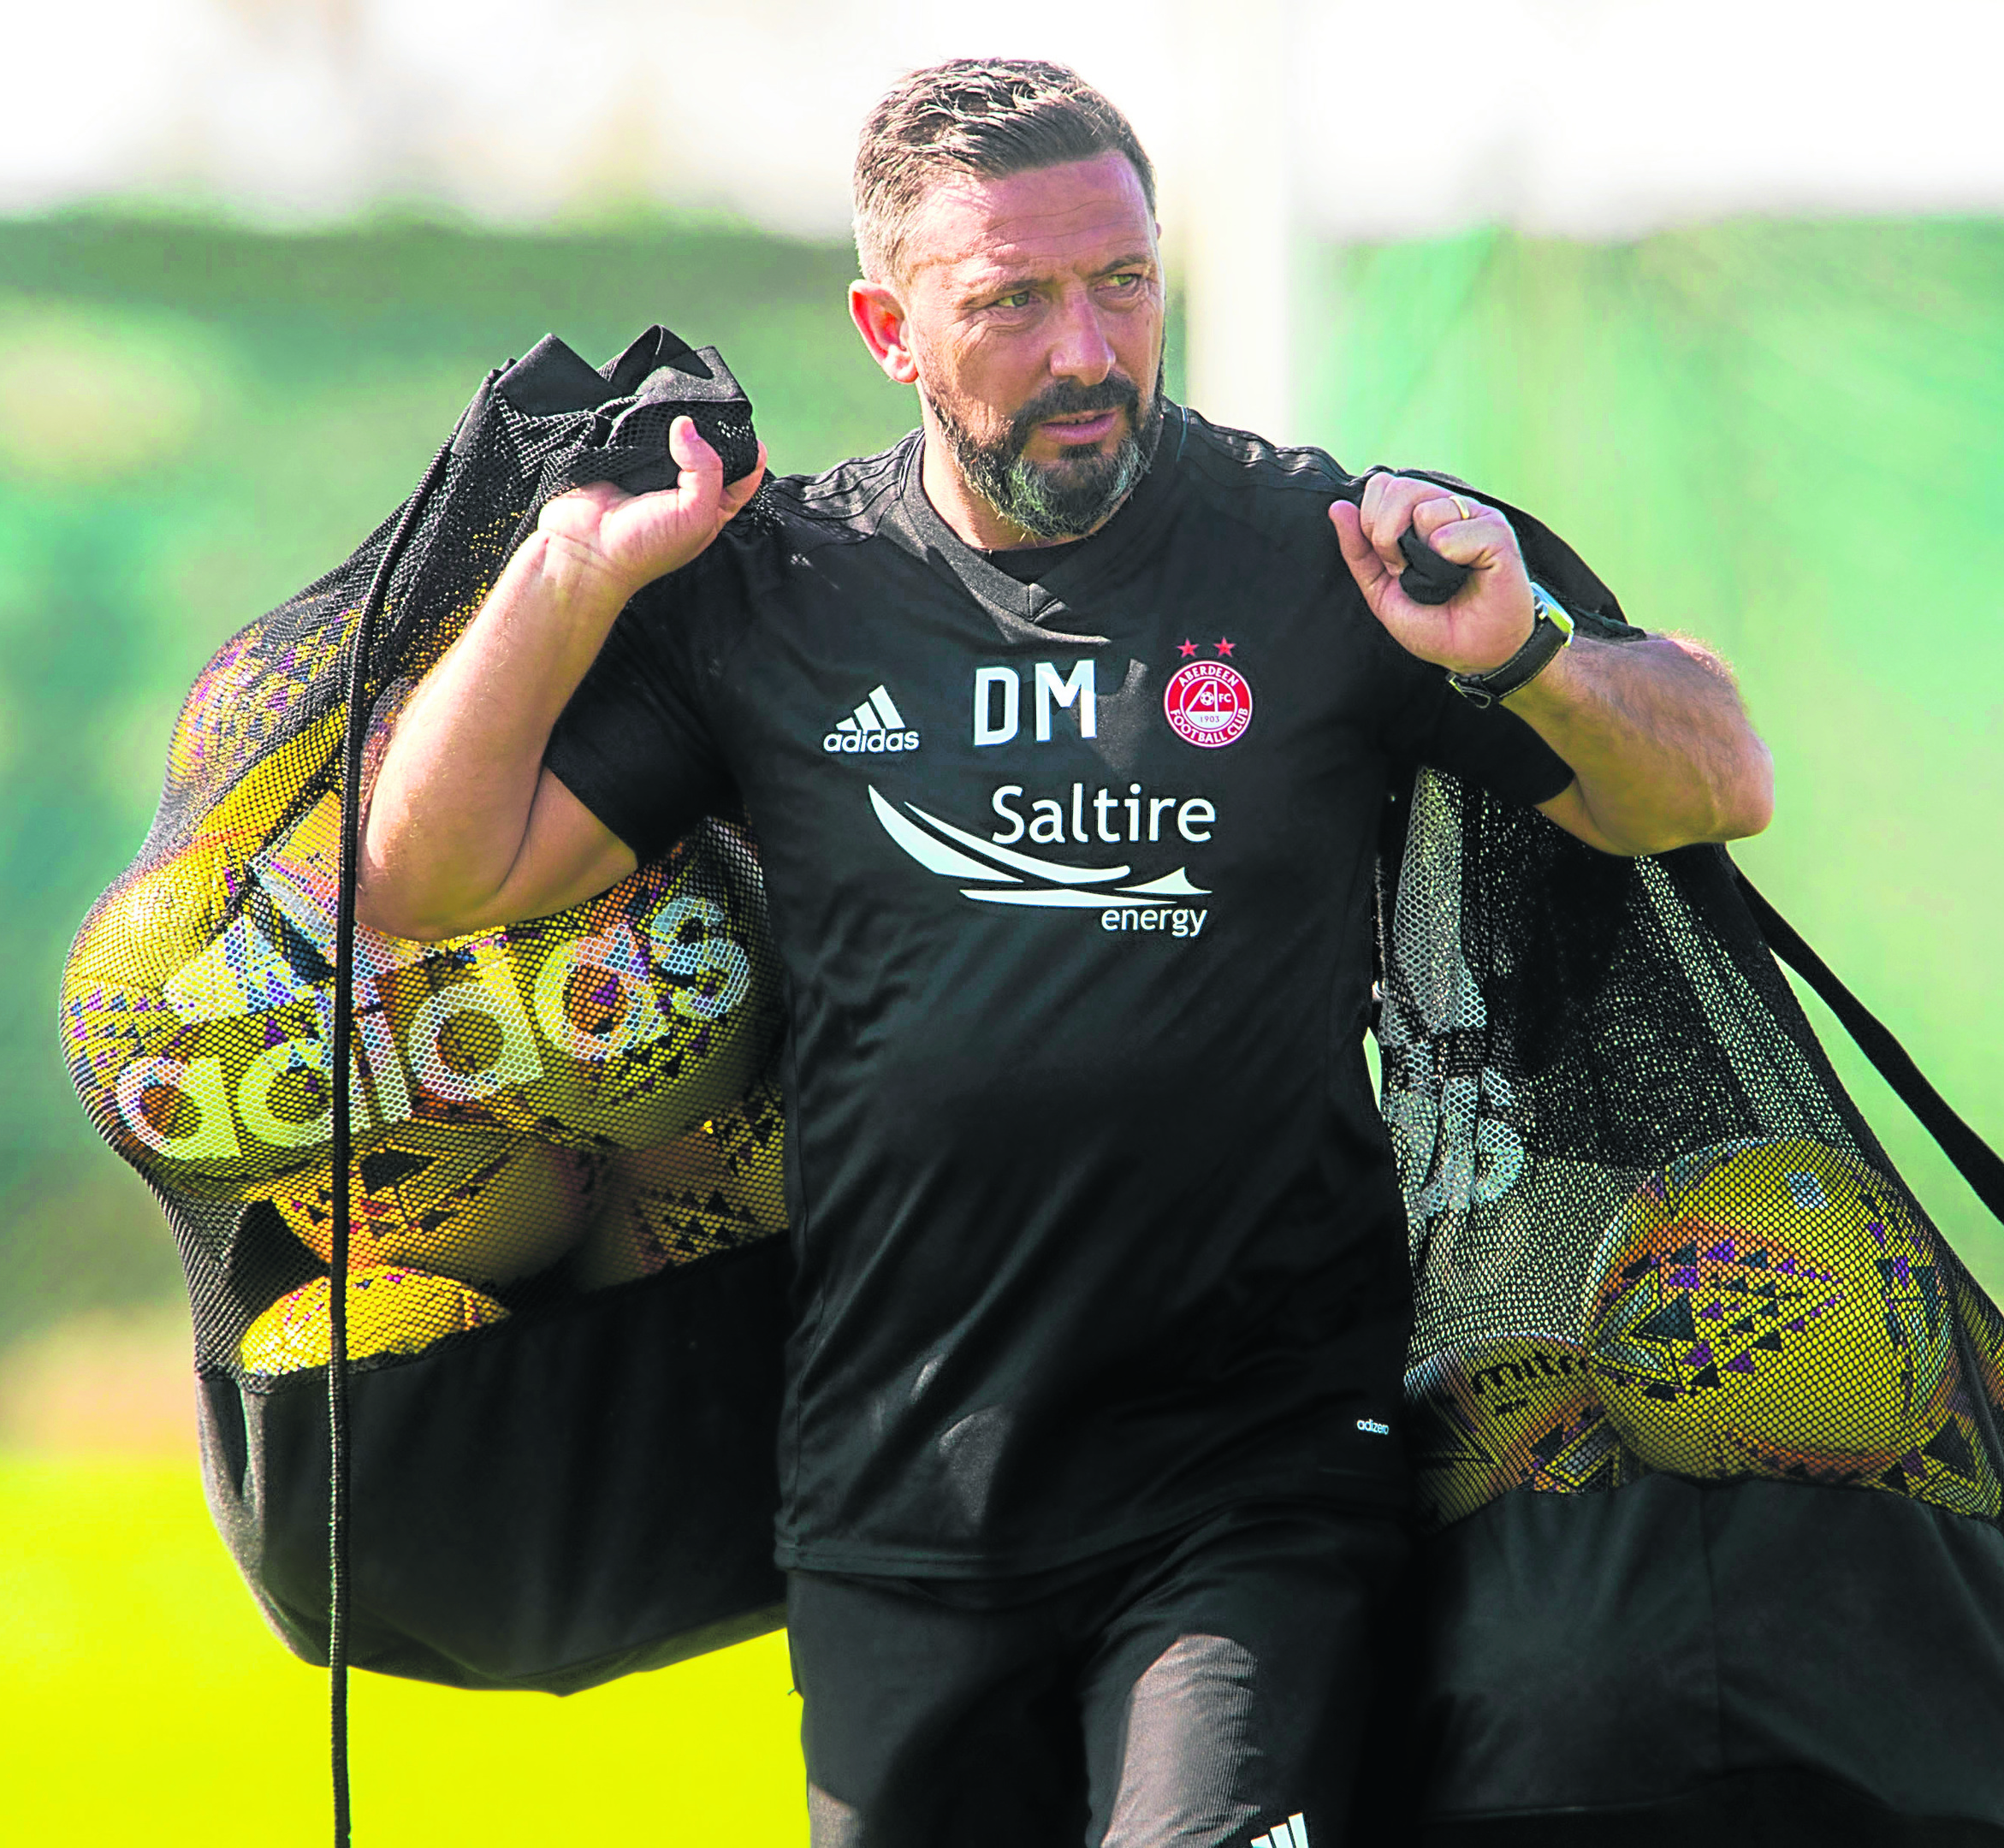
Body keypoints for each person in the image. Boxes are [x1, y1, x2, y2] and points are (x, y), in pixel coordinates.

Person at [358, 57, 1773, 1848]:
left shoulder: (1322, 556)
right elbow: (421, 875)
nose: (1086, 351)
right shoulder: (775, 588)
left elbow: (1711, 781)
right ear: (887, 325)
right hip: (898, 1496)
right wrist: (567, 580)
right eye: (1010, 302)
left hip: (1248, 1486)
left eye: (1120, 282)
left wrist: (1530, 653)